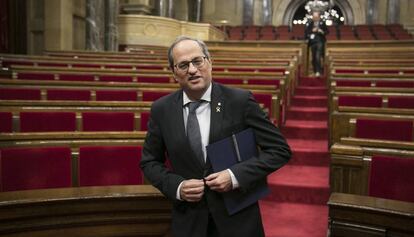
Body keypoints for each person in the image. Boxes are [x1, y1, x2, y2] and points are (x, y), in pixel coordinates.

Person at [140, 36, 291, 237]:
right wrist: (177, 186)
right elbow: (149, 162)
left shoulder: (240, 101)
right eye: (183, 65)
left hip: (238, 219)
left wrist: (235, 175)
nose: (192, 70)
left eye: (197, 61)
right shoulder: (162, 109)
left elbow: (280, 150)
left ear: (210, 62)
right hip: (190, 221)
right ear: (174, 73)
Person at [305, 11, 328, 77]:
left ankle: (319, 71)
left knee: (318, 56)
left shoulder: (322, 23)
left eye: (316, 17)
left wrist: (321, 31)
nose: (314, 18)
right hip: (312, 42)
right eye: (314, 17)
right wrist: (312, 31)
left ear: (319, 17)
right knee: (313, 57)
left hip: (320, 41)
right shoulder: (310, 23)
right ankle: (315, 71)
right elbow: (306, 32)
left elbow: (327, 31)